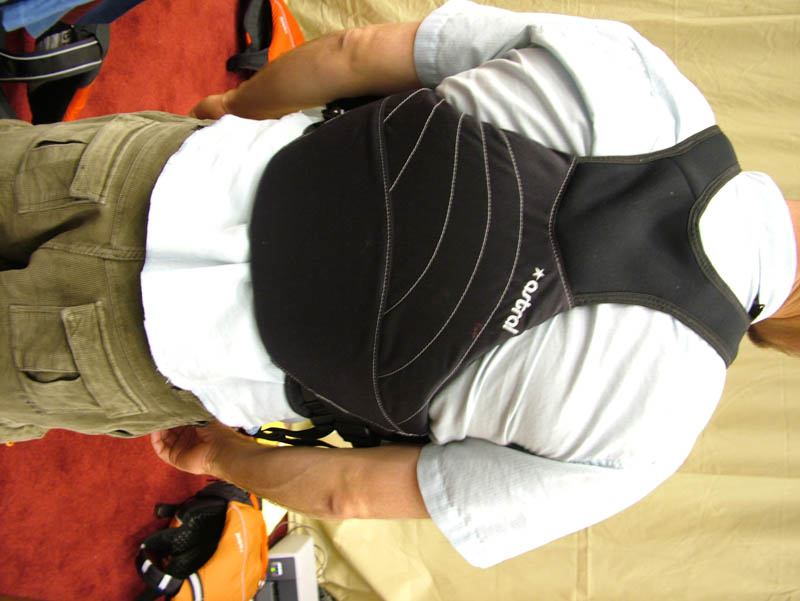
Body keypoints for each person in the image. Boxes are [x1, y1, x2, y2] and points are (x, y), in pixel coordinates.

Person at [2, 0, 797, 568]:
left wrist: (237, 105)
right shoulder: (647, 437)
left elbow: (356, 56)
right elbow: (349, 491)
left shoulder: (642, 75)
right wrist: (220, 456)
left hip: (162, 174)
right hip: (151, 349)